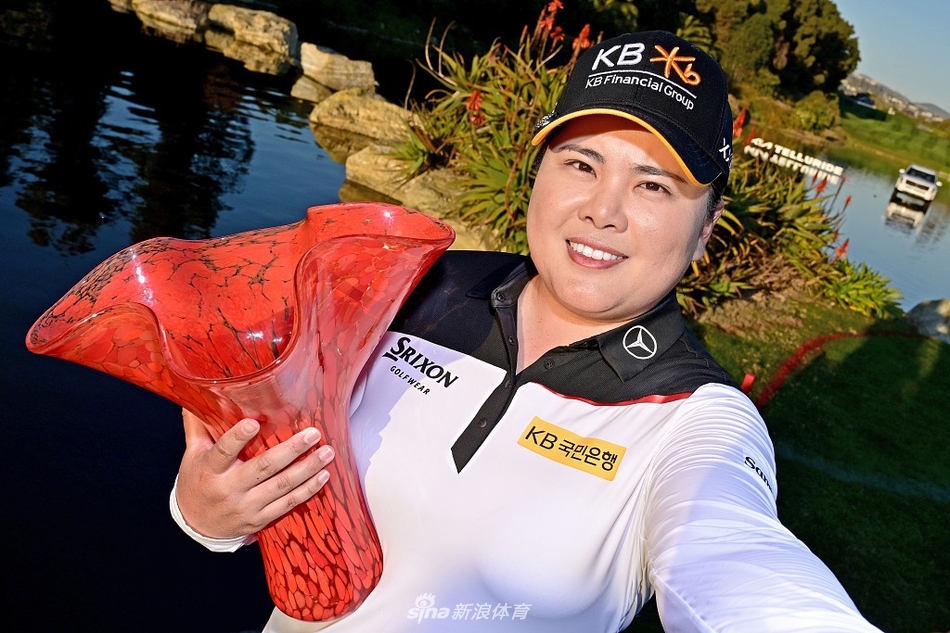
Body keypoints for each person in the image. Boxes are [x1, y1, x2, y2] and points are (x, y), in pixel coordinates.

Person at [172, 31, 881, 632]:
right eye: (581, 163)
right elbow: (263, 476)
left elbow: (733, 553)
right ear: (537, 173)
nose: (603, 210)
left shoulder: (696, 418)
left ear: (705, 231)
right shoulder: (399, 292)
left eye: (653, 185)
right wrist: (205, 512)